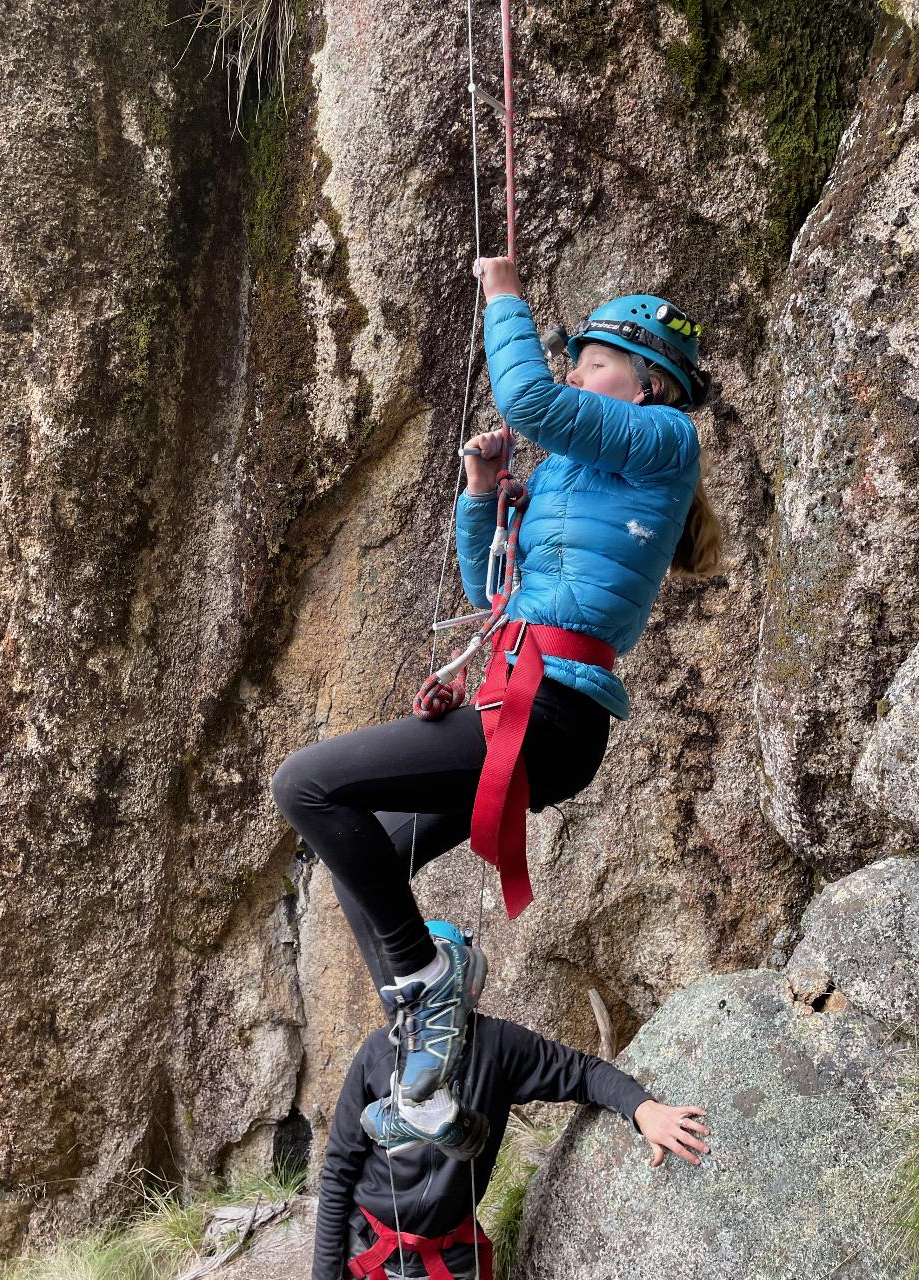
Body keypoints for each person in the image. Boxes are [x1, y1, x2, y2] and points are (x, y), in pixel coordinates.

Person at [271, 260, 722, 1110]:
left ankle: (424, 988)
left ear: (649, 382)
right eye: (578, 359)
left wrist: (503, 294)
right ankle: (432, 1051)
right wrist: (480, 496)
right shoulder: (563, 476)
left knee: (307, 785)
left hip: (552, 711)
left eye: (593, 361)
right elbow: (494, 597)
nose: (578, 372)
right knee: (368, 853)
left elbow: (530, 401)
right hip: (523, 698)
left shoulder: (669, 442)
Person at [314, 921, 712, 1280]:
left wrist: (644, 1110)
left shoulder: (499, 1048)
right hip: (367, 1246)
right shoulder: (377, 1054)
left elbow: (583, 1073)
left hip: (451, 1255)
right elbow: (339, 1169)